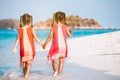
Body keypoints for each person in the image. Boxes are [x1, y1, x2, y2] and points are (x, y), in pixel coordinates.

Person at [13, 14, 43, 78]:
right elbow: (36, 38)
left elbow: (17, 39)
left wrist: (14, 47)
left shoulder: (20, 29)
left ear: (22, 21)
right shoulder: (31, 29)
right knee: (29, 63)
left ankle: (24, 75)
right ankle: (26, 75)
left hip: (23, 49)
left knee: (24, 63)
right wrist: (42, 44)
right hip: (30, 49)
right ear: (30, 21)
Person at [43, 11, 72, 77]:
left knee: (54, 60)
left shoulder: (54, 26)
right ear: (63, 19)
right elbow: (70, 35)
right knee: (61, 61)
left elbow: (50, 36)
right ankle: (59, 75)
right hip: (63, 46)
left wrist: (45, 44)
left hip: (56, 46)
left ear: (55, 18)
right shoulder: (65, 26)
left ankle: (55, 70)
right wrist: (71, 32)